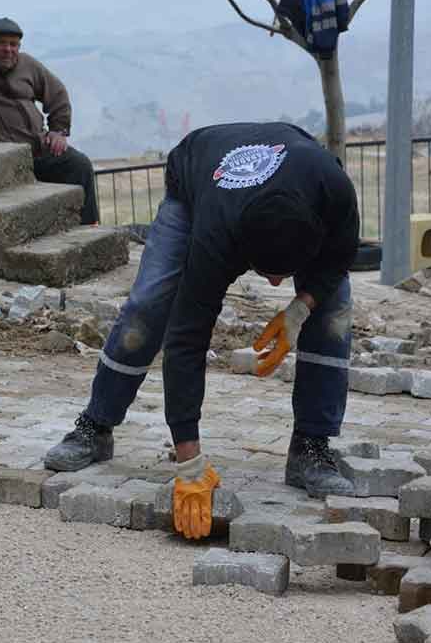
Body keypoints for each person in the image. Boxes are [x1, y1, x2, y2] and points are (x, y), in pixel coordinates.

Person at [43, 122, 360, 540]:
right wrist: (188, 460)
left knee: (332, 312)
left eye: (284, 277)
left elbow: (341, 254)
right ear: (241, 254)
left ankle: (310, 449)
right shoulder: (216, 233)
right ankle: (94, 427)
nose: (276, 286)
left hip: (292, 166)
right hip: (197, 177)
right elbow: (187, 338)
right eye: (269, 275)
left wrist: (302, 308)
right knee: (149, 305)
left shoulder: (334, 190)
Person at [0, 18, 99, 225]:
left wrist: (58, 131)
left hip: (41, 147)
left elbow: (57, 93)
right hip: (9, 156)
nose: (8, 49)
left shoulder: (28, 64)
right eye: (1, 43)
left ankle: (89, 226)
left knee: (79, 164)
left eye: (13, 44)